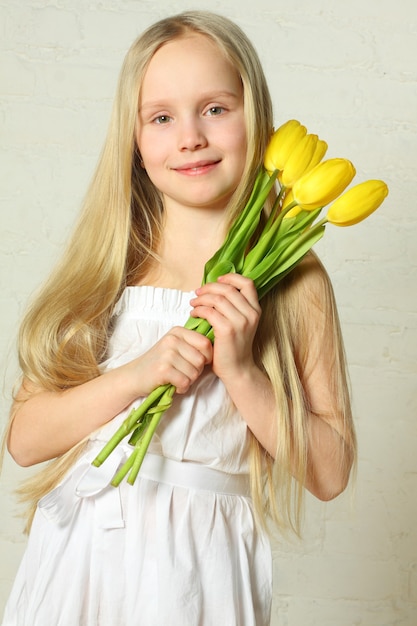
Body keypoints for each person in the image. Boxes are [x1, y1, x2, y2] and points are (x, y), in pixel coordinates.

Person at [1, 10, 356, 626]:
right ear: (135, 141)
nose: (189, 136)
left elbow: (328, 474)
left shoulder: (296, 278)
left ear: (257, 119)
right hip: (82, 554)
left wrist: (243, 372)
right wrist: (137, 375)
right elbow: (25, 440)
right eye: (161, 118)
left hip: (201, 569)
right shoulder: (108, 265)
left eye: (215, 109)